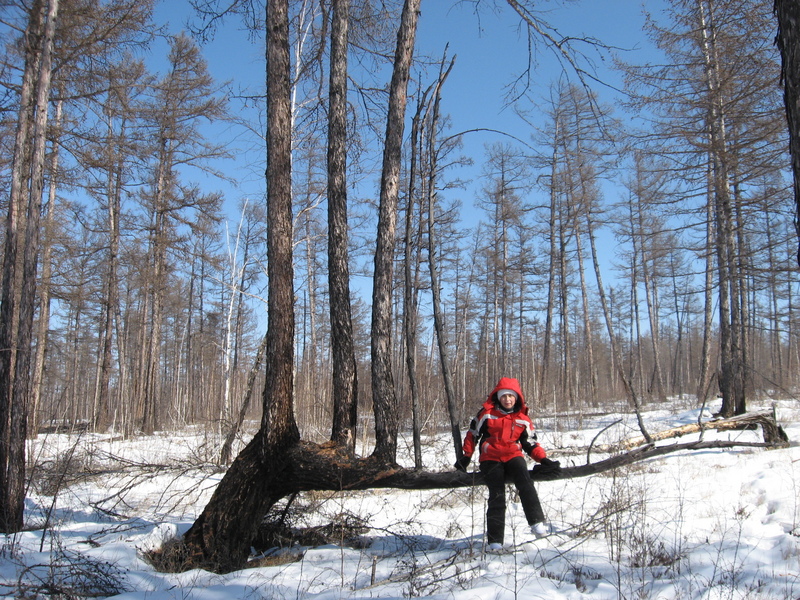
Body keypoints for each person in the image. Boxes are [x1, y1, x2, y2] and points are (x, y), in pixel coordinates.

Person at [455, 376, 555, 552]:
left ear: (517, 398)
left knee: (525, 482)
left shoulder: (523, 418)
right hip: (490, 457)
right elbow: (472, 434)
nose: (507, 400)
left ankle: (537, 523)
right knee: (497, 494)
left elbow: (530, 443)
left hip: (513, 455)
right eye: (503, 396)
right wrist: (466, 456)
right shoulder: (486, 414)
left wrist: (543, 459)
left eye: (511, 396)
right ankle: (495, 541)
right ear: (497, 397)